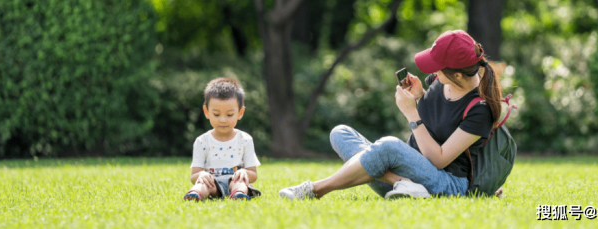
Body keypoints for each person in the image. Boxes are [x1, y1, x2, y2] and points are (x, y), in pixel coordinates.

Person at [279, 30, 503, 199]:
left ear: (457, 75)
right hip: (409, 172)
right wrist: (420, 97)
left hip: (446, 182)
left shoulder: (479, 109)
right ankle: (401, 184)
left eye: (438, 66)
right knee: (341, 133)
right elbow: (439, 119)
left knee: (389, 146)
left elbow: (438, 158)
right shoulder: (439, 81)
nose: (433, 70)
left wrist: (411, 114)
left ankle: (316, 189)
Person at [183, 77, 262, 201]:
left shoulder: (245, 139)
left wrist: (245, 173)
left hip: (236, 181)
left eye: (230, 114)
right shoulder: (202, 141)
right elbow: (194, 175)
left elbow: (253, 175)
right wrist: (202, 174)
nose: (223, 120)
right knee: (202, 184)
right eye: (216, 114)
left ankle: (238, 194)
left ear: (240, 113)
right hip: (212, 185)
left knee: (240, 183)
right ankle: (195, 194)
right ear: (206, 111)